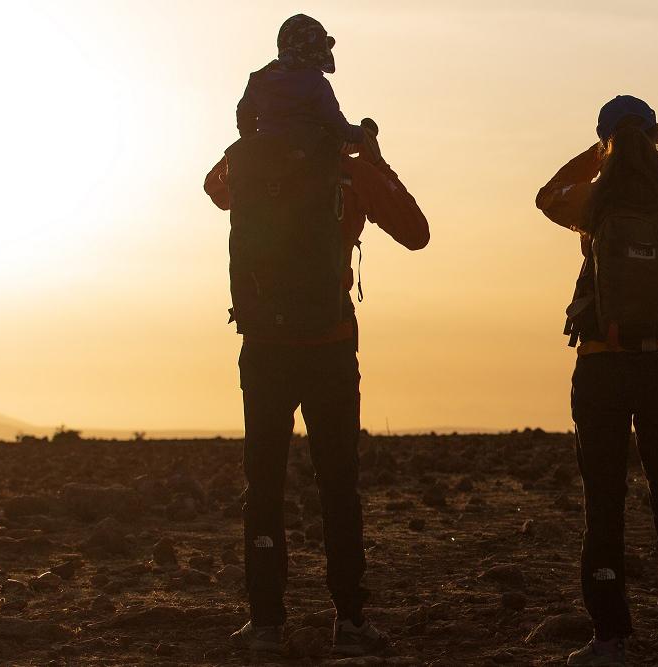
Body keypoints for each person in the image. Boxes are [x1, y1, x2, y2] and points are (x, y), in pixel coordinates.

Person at [205, 105, 428, 656]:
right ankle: (349, 619)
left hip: (264, 347)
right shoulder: (348, 171)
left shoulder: (250, 167)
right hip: (329, 345)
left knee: (263, 484)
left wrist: (252, 143)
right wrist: (372, 158)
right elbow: (415, 233)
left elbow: (214, 189)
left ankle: (265, 624)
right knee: (338, 486)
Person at [534, 95, 658, 667]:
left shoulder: (596, 200)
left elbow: (547, 196)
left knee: (603, 506)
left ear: (606, 141)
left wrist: (599, 154)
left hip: (602, 367)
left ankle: (609, 640)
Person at [236, 14, 364, 144]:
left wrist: (252, 140)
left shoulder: (259, 78)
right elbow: (337, 125)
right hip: (308, 151)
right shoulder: (316, 83)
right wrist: (361, 133)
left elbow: (244, 115)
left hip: (266, 148)